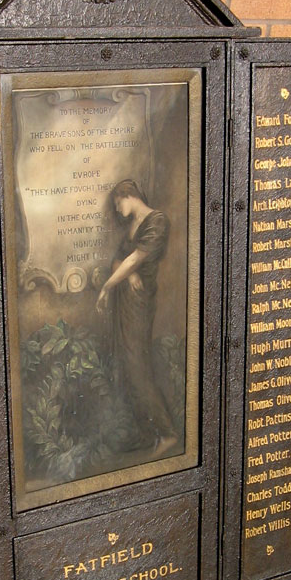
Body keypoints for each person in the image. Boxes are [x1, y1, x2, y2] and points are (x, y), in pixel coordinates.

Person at [96, 179, 178, 457]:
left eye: (118, 204)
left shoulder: (157, 221)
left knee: (137, 366)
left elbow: (134, 259)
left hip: (140, 304)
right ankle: (147, 434)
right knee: (128, 367)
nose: (117, 210)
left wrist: (108, 286)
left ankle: (167, 434)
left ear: (128, 196)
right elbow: (118, 262)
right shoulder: (132, 226)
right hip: (126, 302)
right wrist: (127, 273)